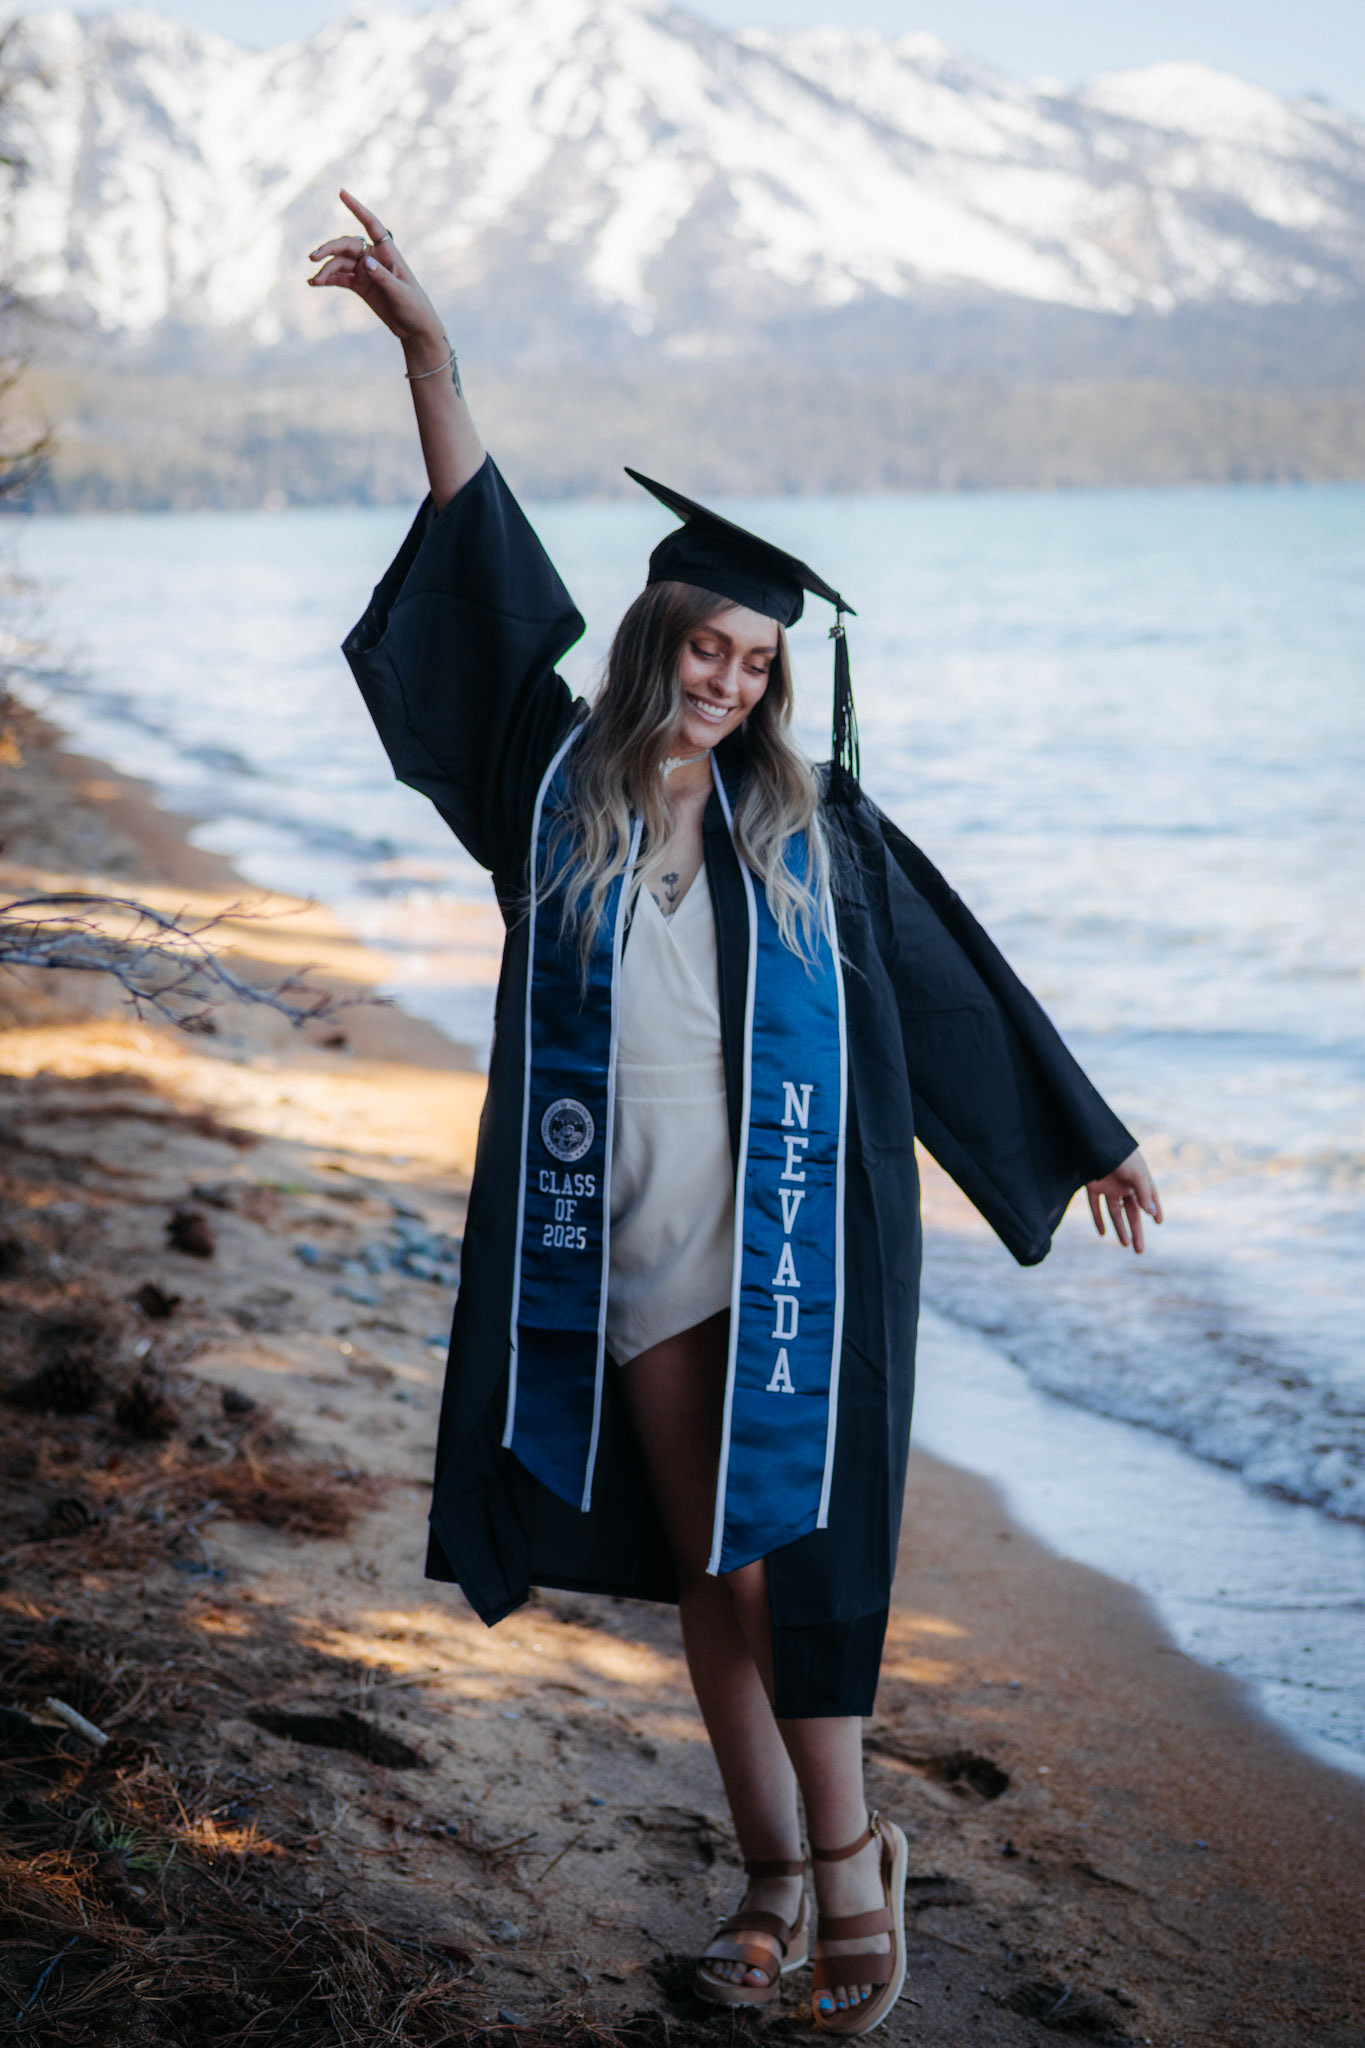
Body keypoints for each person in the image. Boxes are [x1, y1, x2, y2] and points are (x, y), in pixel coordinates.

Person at [309, 190, 1162, 2037]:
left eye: (754, 664)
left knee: (781, 1554)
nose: (725, 680)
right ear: (657, 640)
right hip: (612, 1230)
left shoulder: (812, 835)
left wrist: (1076, 1129)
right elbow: (475, 587)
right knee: (708, 1559)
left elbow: (948, 982)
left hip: (779, 1234)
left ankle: (849, 1864)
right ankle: (768, 1870)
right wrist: (431, 359)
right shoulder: (550, 789)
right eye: (704, 649)